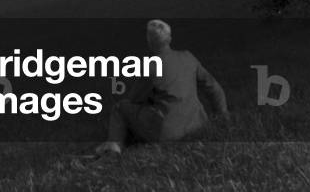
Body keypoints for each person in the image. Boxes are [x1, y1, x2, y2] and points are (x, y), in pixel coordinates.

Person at [92, 19, 229, 158]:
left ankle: (113, 149)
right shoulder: (188, 57)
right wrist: (223, 117)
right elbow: (213, 87)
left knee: (120, 108)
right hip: (196, 125)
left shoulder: (151, 66)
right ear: (169, 38)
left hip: (167, 133)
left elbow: (135, 99)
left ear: (149, 41)